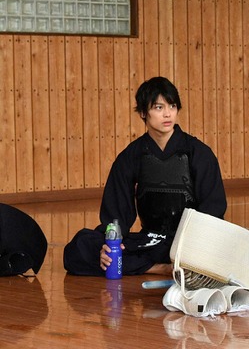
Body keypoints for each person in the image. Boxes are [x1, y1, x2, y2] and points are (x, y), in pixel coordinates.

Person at [63, 77, 227, 276]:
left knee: (230, 251)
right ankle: (159, 268)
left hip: (189, 244)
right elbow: (116, 213)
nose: (167, 114)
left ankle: (150, 266)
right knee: (79, 247)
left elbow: (213, 210)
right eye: (158, 107)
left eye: (172, 106)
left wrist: (194, 248)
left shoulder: (199, 153)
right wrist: (110, 244)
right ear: (143, 113)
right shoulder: (131, 156)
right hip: (151, 242)